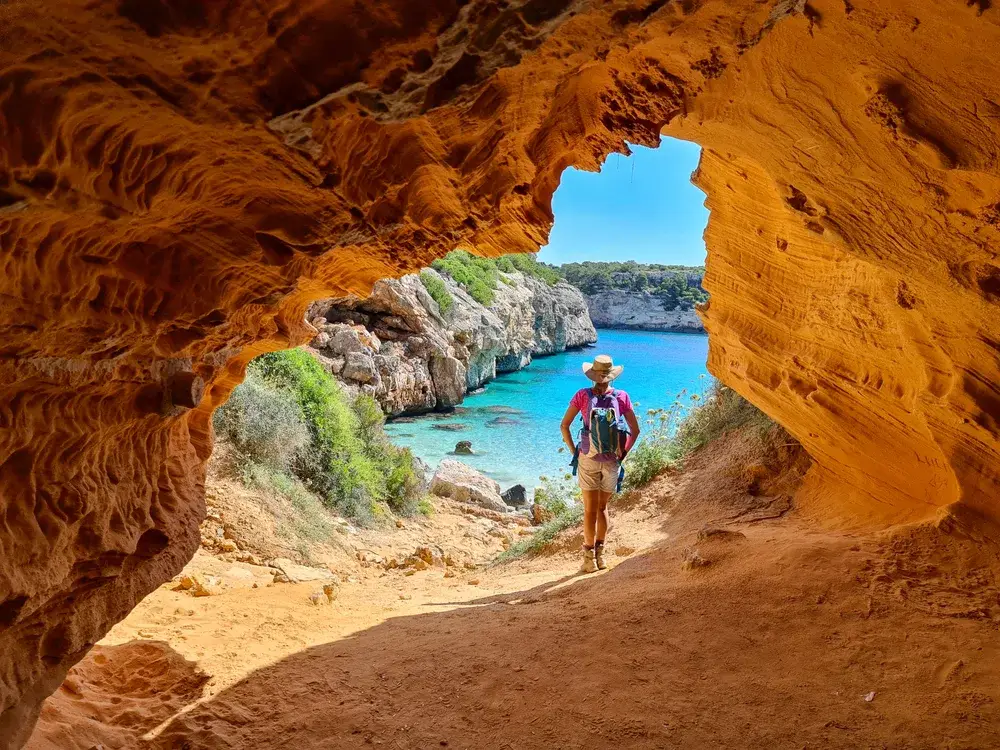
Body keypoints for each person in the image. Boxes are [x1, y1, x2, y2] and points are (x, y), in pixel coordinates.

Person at [560, 354, 640, 573]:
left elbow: (564, 426)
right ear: (611, 376)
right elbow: (635, 431)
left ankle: (588, 559)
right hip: (612, 460)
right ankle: (601, 556)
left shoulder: (582, 396)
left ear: (592, 376)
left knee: (589, 511)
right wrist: (622, 454)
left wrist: (575, 452)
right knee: (603, 508)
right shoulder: (622, 396)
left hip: (588, 458)